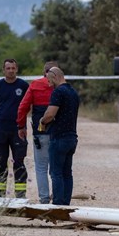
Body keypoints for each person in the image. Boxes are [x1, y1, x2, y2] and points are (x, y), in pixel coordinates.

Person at [17, 60, 58, 203]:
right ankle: (58, 197)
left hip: (40, 133)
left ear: (44, 71)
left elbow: (23, 107)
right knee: (56, 168)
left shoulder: (35, 85)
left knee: (41, 167)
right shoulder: (61, 86)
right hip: (58, 133)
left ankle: (44, 198)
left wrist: (21, 126)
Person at [39, 66, 80, 205]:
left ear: (55, 76)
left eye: (50, 81)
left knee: (56, 173)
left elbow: (50, 114)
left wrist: (42, 121)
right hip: (72, 138)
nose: (49, 85)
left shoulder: (58, 92)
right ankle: (66, 204)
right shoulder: (73, 92)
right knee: (67, 173)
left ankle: (58, 204)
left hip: (59, 138)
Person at [0, 58, 29, 197]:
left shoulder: (24, 86)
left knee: (19, 162)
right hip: (0, 129)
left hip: (18, 130)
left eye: (13, 68)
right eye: (8, 68)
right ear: (4, 70)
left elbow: (28, 106)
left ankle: (20, 194)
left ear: (17, 69)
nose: (11, 71)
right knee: (1, 162)